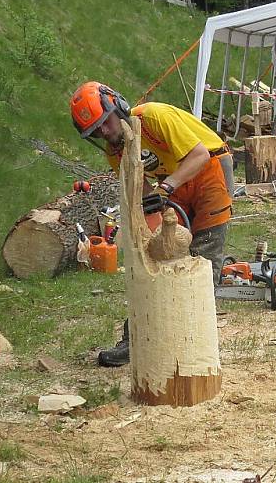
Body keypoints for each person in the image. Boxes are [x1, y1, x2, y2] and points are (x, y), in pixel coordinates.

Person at [69, 81, 234, 366]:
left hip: (209, 171)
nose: (104, 133)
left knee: (204, 261)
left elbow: (199, 155)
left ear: (116, 106)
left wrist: (167, 188)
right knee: (161, 260)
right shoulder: (115, 149)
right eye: (95, 131)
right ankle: (138, 336)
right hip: (173, 181)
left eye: (104, 123)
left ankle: (190, 339)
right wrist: (152, 233)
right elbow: (142, 190)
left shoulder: (154, 118)